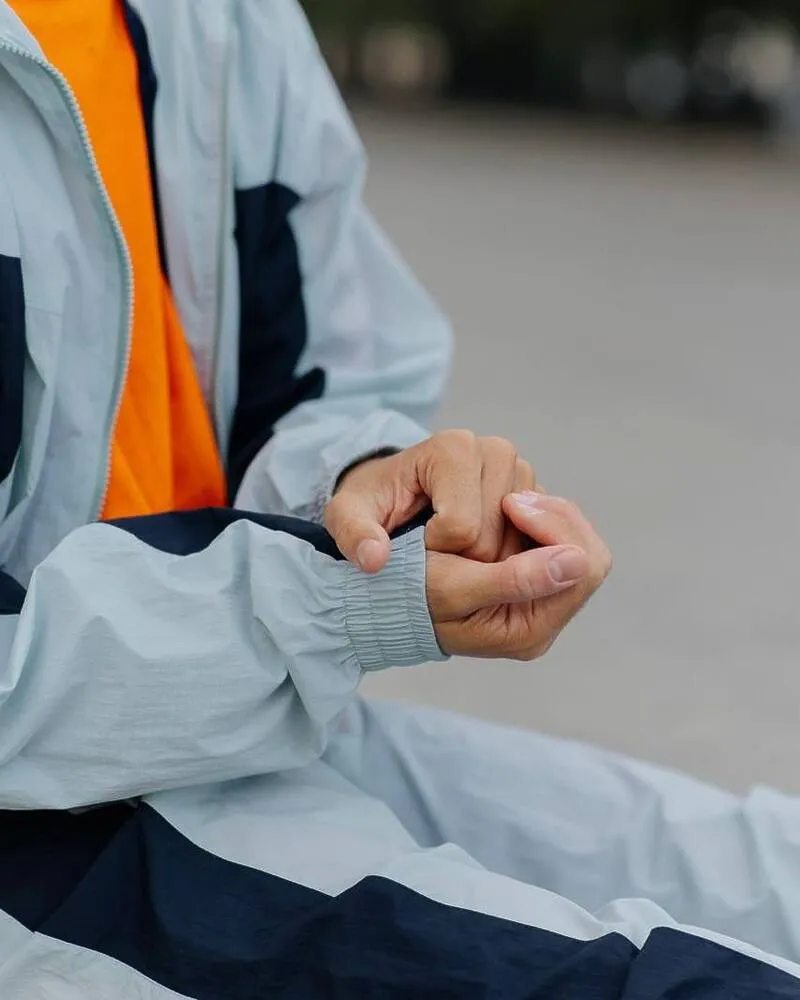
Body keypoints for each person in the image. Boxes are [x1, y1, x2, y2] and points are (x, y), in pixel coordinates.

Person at [0, 2, 798, 997]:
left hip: (233, 727)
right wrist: (331, 606)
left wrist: (373, 493)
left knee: (774, 869)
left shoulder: (222, 17)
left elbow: (322, 370)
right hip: (36, 824)